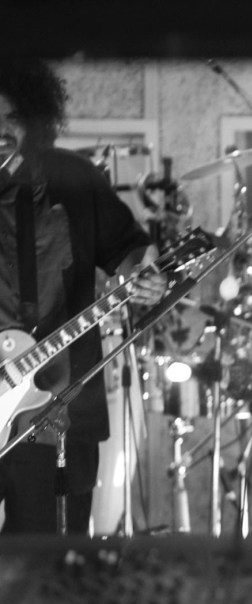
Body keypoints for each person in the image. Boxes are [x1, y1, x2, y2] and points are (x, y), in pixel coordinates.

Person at [0, 59, 165, 536]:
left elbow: (129, 251)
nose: (1, 131)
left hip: (59, 409)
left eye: (13, 118)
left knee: (51, 562)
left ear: (37, 119)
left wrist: (144, 275)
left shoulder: (74, 178)